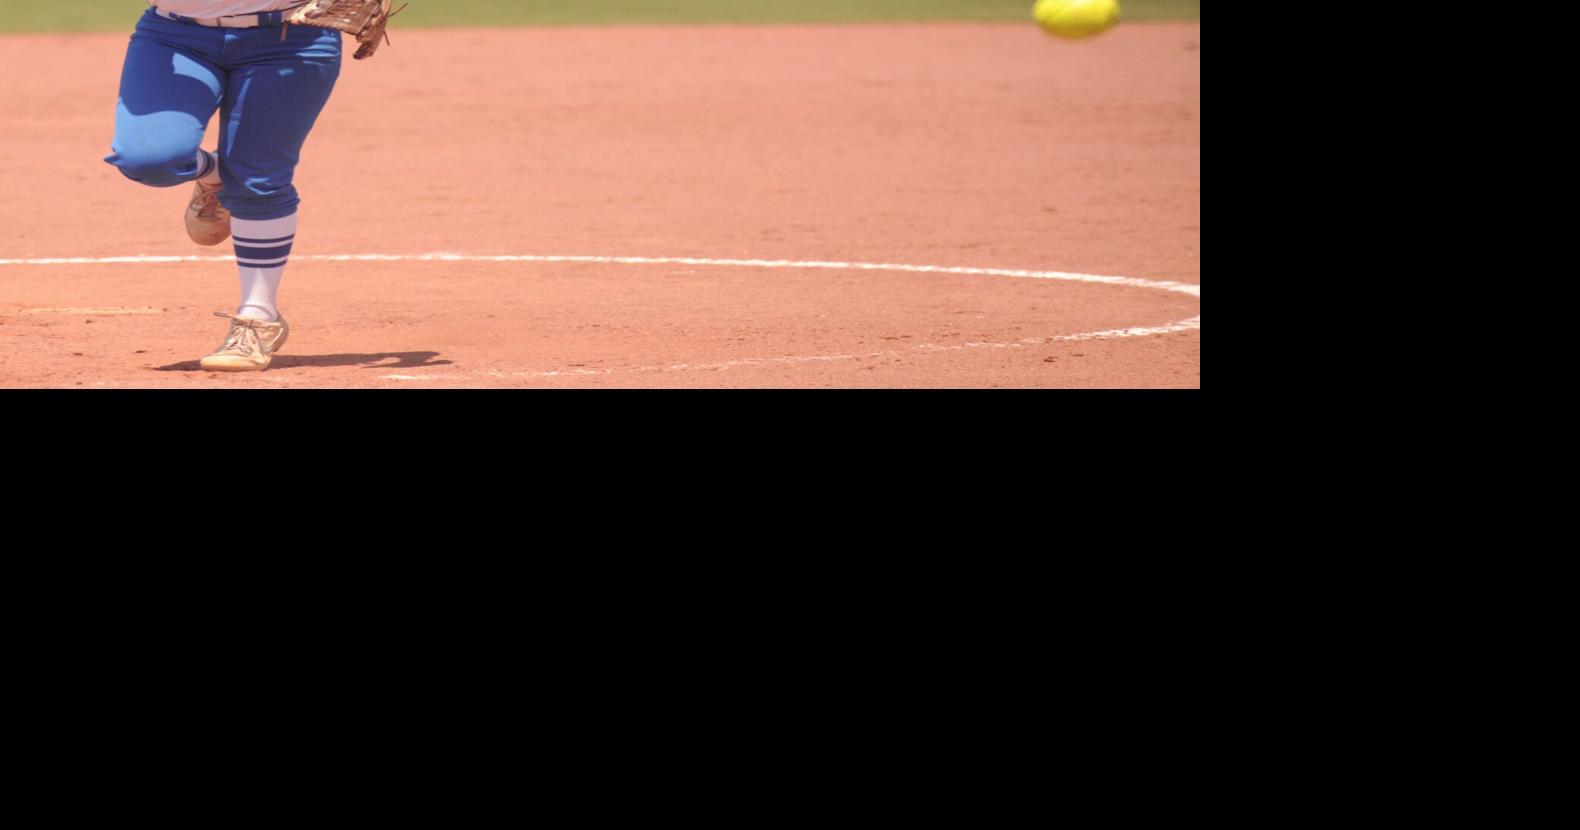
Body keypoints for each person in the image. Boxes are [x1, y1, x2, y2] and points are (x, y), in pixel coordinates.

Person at [104, 1, 343, 372]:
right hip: (175, 36)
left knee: (259, 177)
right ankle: (215, 173)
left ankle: (259, 317)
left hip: (290, 37)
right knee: (148, 159)